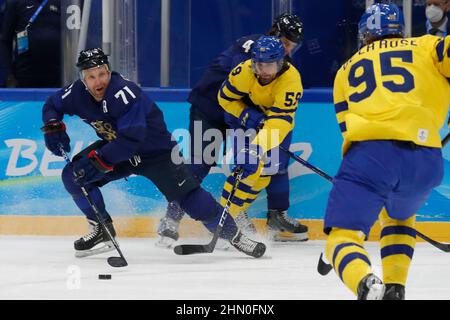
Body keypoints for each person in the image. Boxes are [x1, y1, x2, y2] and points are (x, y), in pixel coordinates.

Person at [41, 48, 266, 259]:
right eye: (92, 76)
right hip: (117, 150)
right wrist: (53, 126)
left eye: (102, 74)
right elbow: (52, 104)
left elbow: (131, 139)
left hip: (156, 154)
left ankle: (234, 236)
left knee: (190, 199)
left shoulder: (125, 93)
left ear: (109, 71)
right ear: (83, 79)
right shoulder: (76, 93)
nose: (99, 81)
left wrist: (100, 161)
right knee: (73, 177)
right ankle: (101, 229)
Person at [325, 3, 449, 300]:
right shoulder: (427, 46)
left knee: (341, 237)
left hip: (370, 156)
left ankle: (365, 283)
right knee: (399, 218)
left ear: (365, 33)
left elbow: (347, 128)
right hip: (426, 160)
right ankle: (395, 288)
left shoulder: (345, 71)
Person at [157, 13, 308, 246]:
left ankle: (259, 214)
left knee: (266, 160)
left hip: (240, 117)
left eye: (292, 46)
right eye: (286, 43)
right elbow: (234, 91)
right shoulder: (254, 53)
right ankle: (171, 218)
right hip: (211, 110)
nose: (288, 50)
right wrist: (253, 115)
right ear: (275, 35)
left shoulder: (278, 61)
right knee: (200, 162)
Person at [216, 35, 304, 248]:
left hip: (276, 123)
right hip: (243, 121)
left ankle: (236, 212)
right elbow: (224, 98)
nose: (264, 71)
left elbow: (280, 121)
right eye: (259, 64)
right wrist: (246, 114)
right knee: (248, 167)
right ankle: (221, 219)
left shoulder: (291, 80)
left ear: (280, 63)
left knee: (266, 173)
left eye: (270, 65)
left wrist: (258, 146)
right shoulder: (244, 72)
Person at [0, 0, 61, 88]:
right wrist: (9, 75)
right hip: (24, 75)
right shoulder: (15, 3)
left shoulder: (62, 3)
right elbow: (5, 41)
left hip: (57, 75)